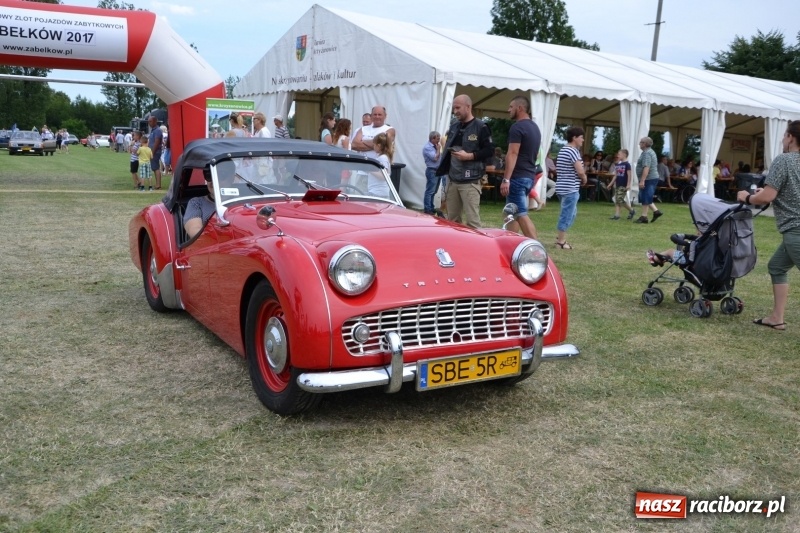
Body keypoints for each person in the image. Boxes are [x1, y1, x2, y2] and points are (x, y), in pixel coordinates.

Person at [735, 120, 800, 331]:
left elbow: (767, 197)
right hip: (793, 230)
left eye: (784, 135)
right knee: (777, 267)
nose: (782, 139)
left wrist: (746, 197)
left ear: (790, 137)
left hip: (796, 229)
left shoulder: (784, 160)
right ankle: (776, 318)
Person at [436, 94, 493, 229]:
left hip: (470, 181)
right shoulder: (454, 126)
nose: (455, 111)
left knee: (473, 223)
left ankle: (476, 243)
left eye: (458, 108)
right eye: (454, 108)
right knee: (452, 222)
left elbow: (489, 150)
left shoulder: (481, 127)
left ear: (468, 107)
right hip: (453, 180)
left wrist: (470, 156)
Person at [499, 95, 540, 238]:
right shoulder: (535, 128)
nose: (508, 110)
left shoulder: (517, 127)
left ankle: (536, 247)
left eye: (511, 107)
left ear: (520, 108)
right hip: (529, 176)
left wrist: (506, 179)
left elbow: (512, 153)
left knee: (521, 214)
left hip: (517, 177)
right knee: (512, 213)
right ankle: (509, 242)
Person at [554, 127, 587, 249]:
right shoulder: (573, 151)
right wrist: (584, 178)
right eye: (581, 137)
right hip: (570, 188)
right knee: (567, 214)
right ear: (574, 138)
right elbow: (580, 170)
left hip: (561, 186)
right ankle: (561, 242)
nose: (583, 140)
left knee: (571, 213)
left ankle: (560, 236)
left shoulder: (563, 150)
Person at [184, 168, 219, 239]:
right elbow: (195, 233)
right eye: (209, 176)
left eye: (221, 175)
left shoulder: (240, 201)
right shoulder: (196, 203)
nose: (214, 181)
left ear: (231, 178)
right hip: (210, 243)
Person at [634, 136, 662, 223]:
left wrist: (642, 180)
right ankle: (656, 211)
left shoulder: (647, 153)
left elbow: (646, 167)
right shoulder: (648, 152)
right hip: (650, 178)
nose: (639, 144)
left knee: (645, 196)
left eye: (641, 142)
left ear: (645, 144)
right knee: (645, 196)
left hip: (649, 178)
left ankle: (644, 217)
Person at [610, 149, 635, 220]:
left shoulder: (627, 164)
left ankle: (631, 210)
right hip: (618, 184)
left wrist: (628, 184)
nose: (618, 156)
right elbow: (615, 175)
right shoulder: (618, 164)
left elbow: (629, 175)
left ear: (624, 154)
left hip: (624, 185)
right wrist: (610, 184)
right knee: (617, 199)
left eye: (619, 154)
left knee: (619, 199)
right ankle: (617, 215)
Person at [422, 130, 442, 214]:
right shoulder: (427, 147)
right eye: (437, 139)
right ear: (432, 138)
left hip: (437, 171)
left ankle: (431, 206)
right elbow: (435, 158)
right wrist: (438, 150)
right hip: (432, 171)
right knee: (430, 191)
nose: (439, 140)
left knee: (434, 191)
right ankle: (427, 208)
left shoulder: (435, 146)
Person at [369, 132, 393, 198]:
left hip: (379, 193)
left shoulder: (383, 158)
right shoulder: (382, 157)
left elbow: (383, 175)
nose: (373, 147)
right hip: (377, 191)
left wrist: (369, 170)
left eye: (374, 145)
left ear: (379, 146)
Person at [148, 116, 164, 189]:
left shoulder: (157, 130)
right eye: (148, 121)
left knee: (156, 168)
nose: (149, 123)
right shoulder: (153, 130)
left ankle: (158, 185)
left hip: (155, 152)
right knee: (154, 167)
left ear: (155, 121)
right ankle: (157, 184)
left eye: (150, 121)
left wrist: (152, 152)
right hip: (153, 151)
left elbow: (157, 142)